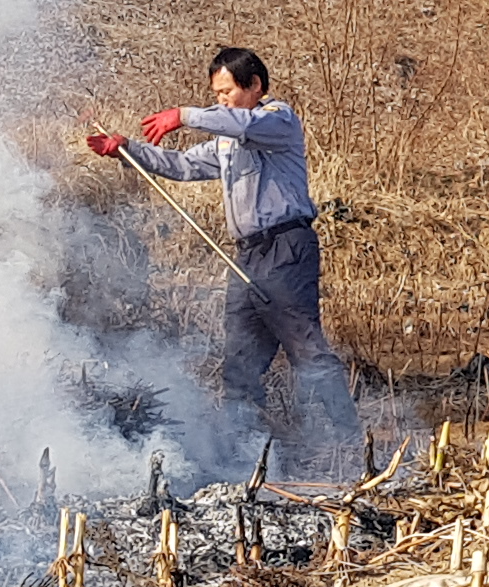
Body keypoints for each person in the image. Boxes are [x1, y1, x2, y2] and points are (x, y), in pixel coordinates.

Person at [88, 46, 354, 475]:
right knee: (239, 362)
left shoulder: (277, 120)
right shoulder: (228, 142)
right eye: (215, 94)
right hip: (247, 257)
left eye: (227, 91)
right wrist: (127, 150)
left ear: (255, 86)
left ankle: (350, 442)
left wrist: (184, 115)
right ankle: (244, 451)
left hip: (286, 249)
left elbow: (242, 123)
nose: (221, 101)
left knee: (307, 350)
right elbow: (183, 165)